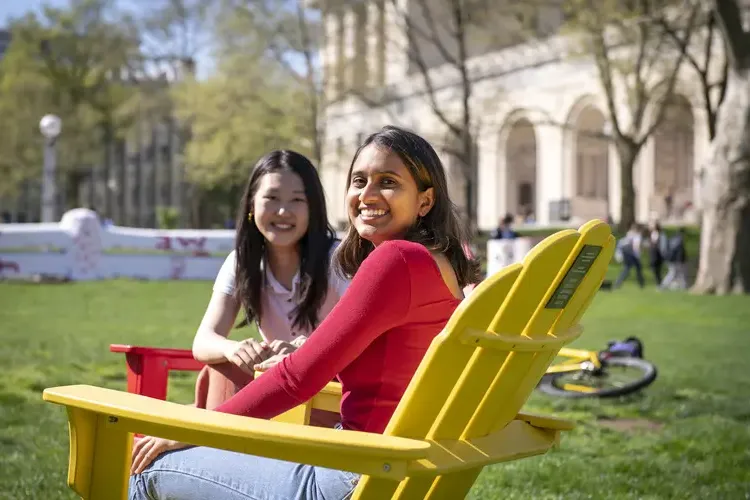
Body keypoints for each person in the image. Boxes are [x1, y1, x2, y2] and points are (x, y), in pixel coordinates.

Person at [129, 125, 480, 499]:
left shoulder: (396, 260)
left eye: (388, 182)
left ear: (425, 201)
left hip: (354, 474)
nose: (368, 194)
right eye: (359, 180)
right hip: (394, 469)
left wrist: (193, 429)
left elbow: (299, 377)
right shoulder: (440, 265)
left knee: (150, 468)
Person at [614, 223, 645, 289]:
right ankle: (641, 284)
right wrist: (639, 253)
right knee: (630, 269)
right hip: (633, 255)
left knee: (631, 269)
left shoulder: (629, 234)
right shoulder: (637, 235)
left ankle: (618, 283)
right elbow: (636, 246)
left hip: (627, 254)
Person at [647, 220, 668, 286]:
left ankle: (660, 283)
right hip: (653, 254)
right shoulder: (652, 233)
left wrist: (663, 254)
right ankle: (659, 283)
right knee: (655, 269)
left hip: (658, 255)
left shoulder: (661, 234)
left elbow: (662, 246)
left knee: (657, 269)